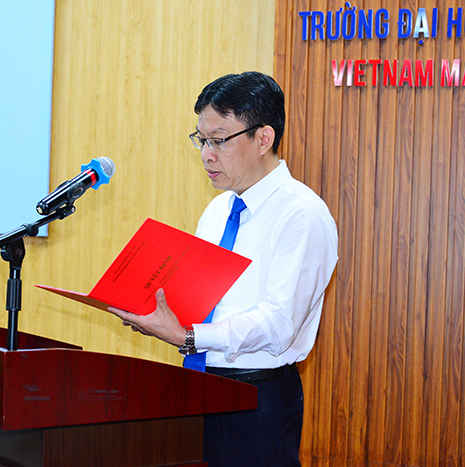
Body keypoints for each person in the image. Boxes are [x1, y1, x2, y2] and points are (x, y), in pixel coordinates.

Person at [109, 72, 338, 466]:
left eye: (218, 140)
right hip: (199, 386)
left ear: (263, 138)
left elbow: (278, 324)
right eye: (201, 140)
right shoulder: (218, 209)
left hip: (256, 398)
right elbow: (203, 300)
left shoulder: (302, 214)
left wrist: (188, 336)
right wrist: (155, 312)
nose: (206, 155)